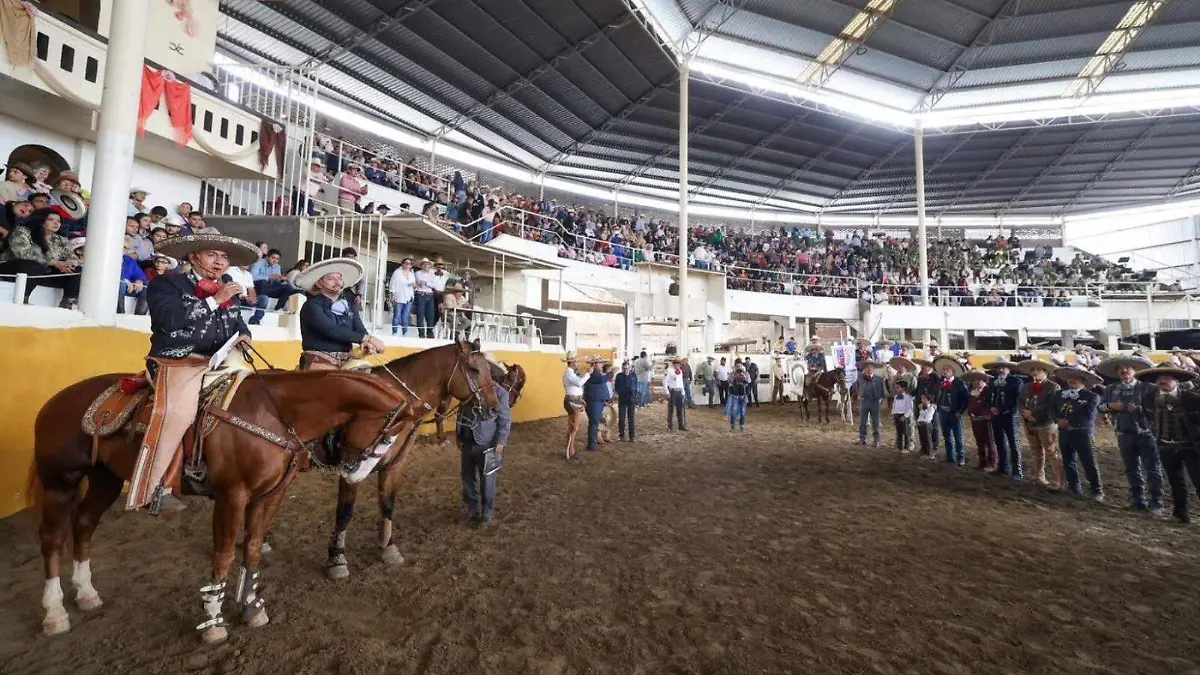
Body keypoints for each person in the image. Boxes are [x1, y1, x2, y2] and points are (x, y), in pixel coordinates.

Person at [131, 232, 258, 514]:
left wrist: (245, 335)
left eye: (224, 257)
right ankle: (154, 488)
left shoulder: (227, 287)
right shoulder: (167, 283)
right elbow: (169, 321)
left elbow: (238, 322)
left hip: (218, 361)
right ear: (193, 256)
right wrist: (215, 300)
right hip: (176, 361)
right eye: (212, 254)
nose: (219, 262)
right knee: (178, 413)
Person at [1097, 355, 1164, 514]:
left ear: (1135, 370)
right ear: (1117, 373)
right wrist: (1110, 406)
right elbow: (1100, 407)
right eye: (1120, 369)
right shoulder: (1111, 389)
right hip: (1123, 433)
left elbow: (1159, 407)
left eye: (1128, 368)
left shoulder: (1149, 388)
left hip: (1146, 433)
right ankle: (1137, 499)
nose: (1124, 370)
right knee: (1131, 468)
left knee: (1152, 468)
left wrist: (1140, 409)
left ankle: (1156, 502)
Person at [296, 258, 385, 370]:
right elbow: (332, 330)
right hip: (317, 359)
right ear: (319, 283)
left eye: (339, 278)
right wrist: (368, 338)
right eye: (331, 279)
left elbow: (359, 329)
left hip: (347, 358)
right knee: (335, 380)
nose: (338, 282)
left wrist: (366, 342)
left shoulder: (350, 306)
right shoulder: (311, 305)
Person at [1139, 366, 1200, 523]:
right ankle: (1180, 514)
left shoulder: (1192, 399)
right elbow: (1149, 418)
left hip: (1192, 446)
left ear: (1177, 381)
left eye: (1167, 378)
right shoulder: (1148, 398)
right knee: (1175, 481)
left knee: (1198, 479)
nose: (1163, 381)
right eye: (1160, 378)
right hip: (1165, 445)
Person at [457, 373, 511, 530]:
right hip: (467, 441)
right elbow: (461, 412)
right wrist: (458, 434)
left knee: (487, 481)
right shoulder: (468, 390)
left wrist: (500, 441)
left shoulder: (501, 393)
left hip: (488, 445)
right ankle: (473, 511)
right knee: (467, 478)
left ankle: (487, 514)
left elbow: (505, 420)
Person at [0, 208, 80, 307]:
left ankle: (68, 302)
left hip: (42, 273)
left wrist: (69, 264)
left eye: (58, 221)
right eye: (51, 219)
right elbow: (23, 254)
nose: (56, 223)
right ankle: (23, 298)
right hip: (14, 268)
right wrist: (53, 262)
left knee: (77, 270)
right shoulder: (22, 232)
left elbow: (73, 257)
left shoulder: (61, 239)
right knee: (34, 265)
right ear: (40, 220)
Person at [1053, 366, 1105, 502]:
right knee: (1068, 460)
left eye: (1075, 378)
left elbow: (1088, 415)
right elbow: (1052, 409)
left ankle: (1096, 490)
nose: (1072, 380)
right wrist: (1057, 420)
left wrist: (1068, 421)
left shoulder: (1092, 396)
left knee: (1088, 462)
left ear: (1083, 380)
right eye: (1070, 377)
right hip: (1064, 432)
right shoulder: (1059, 394)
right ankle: (1073, 487)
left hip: (1082, 432)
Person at [1016, 359, 1063, 489]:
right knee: (1035, 451)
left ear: (1046, 372)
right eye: (1033, 370)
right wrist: (1024, 412)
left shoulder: (1054, 387)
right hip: (1030, 423)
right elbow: (1020, 400)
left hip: (1046, 423)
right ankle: (1038, 477)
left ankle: (1058, 480)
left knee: (1051, 451)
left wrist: (1032, 413)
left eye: (1038, 370)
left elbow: (1050, 405)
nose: (1035, 372)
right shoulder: (1027, 386)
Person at [984, 356, 1024, 480]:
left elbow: (1017, 400)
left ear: (1009, 368)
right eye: (998, 368)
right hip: (995, 416)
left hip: (1010, 415)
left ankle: (1017, 471)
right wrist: (991, 408)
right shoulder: (992, 381)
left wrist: (1000, 409)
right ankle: (1003, 467)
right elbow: (988, 397)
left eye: (1003, 367)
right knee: (999, 441)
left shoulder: (1016, 381)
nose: (1001, 370)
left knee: (1014, 443)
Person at [249, 248, 303, 325]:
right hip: (258, 287)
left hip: (270, 288)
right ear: (267, 257)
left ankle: (278, 308)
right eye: (273, 258)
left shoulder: (277, 266)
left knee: (288, 287)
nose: (275, 261)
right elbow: (252, 277)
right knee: (263, 282)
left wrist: (281, 279)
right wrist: (268, 277)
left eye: (277, 259)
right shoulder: (259, 263)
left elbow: (276, 282)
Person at [934, 356, 970, 465]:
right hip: (943, 412)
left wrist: (960, 411)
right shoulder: (941, 382)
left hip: (954, 413)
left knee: (958, 436)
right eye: (944, 369)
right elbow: (938, 395)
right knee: (946, 436)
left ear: (953, 372)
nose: (945, 371)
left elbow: (965, 399)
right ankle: (950, 457)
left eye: (947, 370)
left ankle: (960, 457)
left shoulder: (959, 383)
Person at [965, 371, 997, 471]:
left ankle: (992, 463)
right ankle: (982, 462)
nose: (976, 382)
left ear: (984, 380)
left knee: (989, 442)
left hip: (986, 420)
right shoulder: (972, 392)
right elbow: (970, 404)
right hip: (975, 420)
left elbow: (990, 405)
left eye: (978, 380)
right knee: (979, 442)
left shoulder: (988, 391)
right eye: (974, 380)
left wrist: (985, 415)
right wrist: (971, 414)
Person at [582, 357, 611, 451]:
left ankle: (592, 443)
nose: (602, 365)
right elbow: (601, 380)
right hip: (594, 402)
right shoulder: (594, 374)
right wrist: (611, 373)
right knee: (594, 423)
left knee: (595, 422)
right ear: (594, 364)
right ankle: (591, 444)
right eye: (600, 363)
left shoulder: (596, 374)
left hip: (597, 401)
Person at [562, 352, 586, 460]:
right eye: (577, 361)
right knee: (574, 427)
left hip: (573, 399)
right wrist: (588, 373)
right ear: (571, 362)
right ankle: (570, 450)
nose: (578, 363)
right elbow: (579, 383)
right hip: (573, 400)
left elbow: (575, 387)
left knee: (573, 426)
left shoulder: (569, 373)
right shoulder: (569, 373)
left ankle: (570, 449)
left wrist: (580, 399)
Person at [118, 235, 149, 315]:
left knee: (147, 285)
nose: (124, 250)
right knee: (121, 283)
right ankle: (120, 313)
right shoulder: (107, 258)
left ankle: (139, 315)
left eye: (127, 248)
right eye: (123, 246)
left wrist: (139, 280)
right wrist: (124, 280)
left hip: (129, 289)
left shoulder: (128, 260)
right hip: (113, 287)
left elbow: (140, 274)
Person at [857, 360, 886, 447]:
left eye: (871, 367)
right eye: (868, 367)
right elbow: (858, 388)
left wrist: (880, 400)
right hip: (864, 401)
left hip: (875, 402)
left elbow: (882, 391)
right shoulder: (861, 378)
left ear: (874, 369)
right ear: (865, 368)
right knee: (863, 422)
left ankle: (876, 440)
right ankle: (862, 439)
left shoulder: (879, 379)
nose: (869, 369)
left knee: (875, 422)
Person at [388, 256, 415, 336]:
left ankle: (405, 333)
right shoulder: (397, 272)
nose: (408, 265)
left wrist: (413, 285)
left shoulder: (411, 274)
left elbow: (414, 285)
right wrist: (393, 294)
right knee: (397, 315)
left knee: (405, 316)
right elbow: (392, 284)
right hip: (399, 296)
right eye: (406, 263)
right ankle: (394, 332)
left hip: (408, 297)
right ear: (402, 264)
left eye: (410, 264)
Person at [413, 258, 437, 338]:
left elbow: (434, 285)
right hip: (421, 295)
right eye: (424, 264)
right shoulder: (417, 273)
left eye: (427, 264)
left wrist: (426, 283)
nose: (426, 266)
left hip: (430, 295)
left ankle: (430, 332)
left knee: (430, 315)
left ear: (429, 266)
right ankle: (421, 333)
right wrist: (429, 283)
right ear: (421, 265)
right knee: (420, 315)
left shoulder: (432, 274)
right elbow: (421, 284)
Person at [614, 360, 637, 442]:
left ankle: (632, 436)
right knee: (621, 418)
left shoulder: (633, 375)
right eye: (624, 368)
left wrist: (634, 395)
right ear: (622, 368)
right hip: (622, 399)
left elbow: (636, 386)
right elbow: (616, 386)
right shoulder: (619, 376)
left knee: (631, 418)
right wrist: (619, 393)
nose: (625, 370)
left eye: (627, 368)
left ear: (629, 368)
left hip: (631, 399)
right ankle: (621, 435)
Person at [664, 357, 687, 432]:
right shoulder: (669, 371)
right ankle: (670, 426)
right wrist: (667, 391)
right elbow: (665, 382)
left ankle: (681, 425)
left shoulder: (680, 371)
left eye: (679, 364)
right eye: (676, 364)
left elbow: (681, 382)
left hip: (679, 391)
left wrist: (683, 392)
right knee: (671, 410)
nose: (678, 365)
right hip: (672, 391)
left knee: (680, 409)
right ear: (674, 364)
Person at [726, 362, 751, 432]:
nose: (739, 367)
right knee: (734, 410)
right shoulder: (732, 374)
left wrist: (744, 377)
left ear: (742, 366)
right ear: (735, 367)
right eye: (737, 366)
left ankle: (741, 426)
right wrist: (734, 377)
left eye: (740, 366)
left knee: (742, 411)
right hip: (735, 395)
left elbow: (749, 381)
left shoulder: (746, 373)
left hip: (743, 395)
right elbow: (728, 381)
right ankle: (733, 425)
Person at [891, 379, 914, 454]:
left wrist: (905, 416)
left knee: (906, 432)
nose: (896, 389)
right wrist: (893, 414)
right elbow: (894, 406)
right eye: (896, 387)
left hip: (904, 416)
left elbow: (910, 408)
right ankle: (899, 447)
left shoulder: (908, 397)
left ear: (903, 388)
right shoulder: (896, 397)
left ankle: (907, 447)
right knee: (899, 432)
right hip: (897, 415)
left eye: (898, 387)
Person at [916, 394, 937, 459]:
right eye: (922, 399)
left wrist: (921, 410)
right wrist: (918, 421)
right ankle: (924, 451)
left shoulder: (931, 407)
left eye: (924, 398)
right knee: (922, 438)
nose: (922, 400)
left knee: (928, 439)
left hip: (927, 424)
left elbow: (927, 417)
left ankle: (930, 453)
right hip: (921, 424)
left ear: (928, 400)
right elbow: (921, 416)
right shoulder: (923, 407)